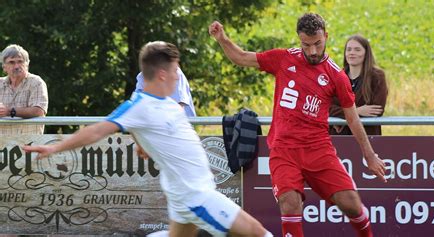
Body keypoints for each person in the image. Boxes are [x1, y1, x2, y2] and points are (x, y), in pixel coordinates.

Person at [23, 41, 272, 237]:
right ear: (162, 74)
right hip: (196, 196)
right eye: (175, 70)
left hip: (182, 197)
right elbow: (98, 130)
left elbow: (162, 138)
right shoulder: (139, 105)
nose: (178, 76)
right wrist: (56, 147)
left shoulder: (170, 105)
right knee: (261, 234)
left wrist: (145, 145)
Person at [209, 13, 386, 237]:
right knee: (289, 203)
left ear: (326, 37)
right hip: (284, 150)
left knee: (351, 203)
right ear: (299, 39)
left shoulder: (336, 75)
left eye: (317, 44)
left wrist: (369, 155)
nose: (312, 51)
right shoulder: (283, 58)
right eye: (306, 44)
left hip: (318, 149)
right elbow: (242, 58)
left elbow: (352, 118)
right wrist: (222, 39)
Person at [329, 35, 388, 135]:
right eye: (349, 49)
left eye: (357, 50)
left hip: (367, 136)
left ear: (366, 53)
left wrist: (341, 115)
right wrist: (357, 111)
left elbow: (376, 110)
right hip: (339, 137)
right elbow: (327, 107)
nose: (352, 53)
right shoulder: (337, 77)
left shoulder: (377, 77)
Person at [0, 44, 48, 134]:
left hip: (29, 143)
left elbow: (38, 111)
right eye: (11, 62)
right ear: (4, 67)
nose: (17, 66)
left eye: (20, 62)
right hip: (2, 144)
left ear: (27, 64)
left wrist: (9, 111)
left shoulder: (36, 82)